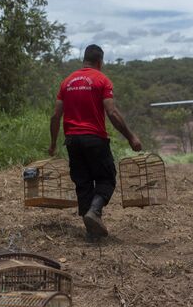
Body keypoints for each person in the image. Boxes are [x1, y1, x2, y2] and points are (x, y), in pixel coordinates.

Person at [49, 44, 142, 239]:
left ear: (84, 60)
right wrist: (131, 137)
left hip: (72, 140)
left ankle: (91, 229)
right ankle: (95, 212)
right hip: (94, 139)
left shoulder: (67, 82)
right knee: (106, 178)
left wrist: (52, 143)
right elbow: (112, 112)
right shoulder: (102, 80)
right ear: (100, 62)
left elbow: (56, 116)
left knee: (82, 182)